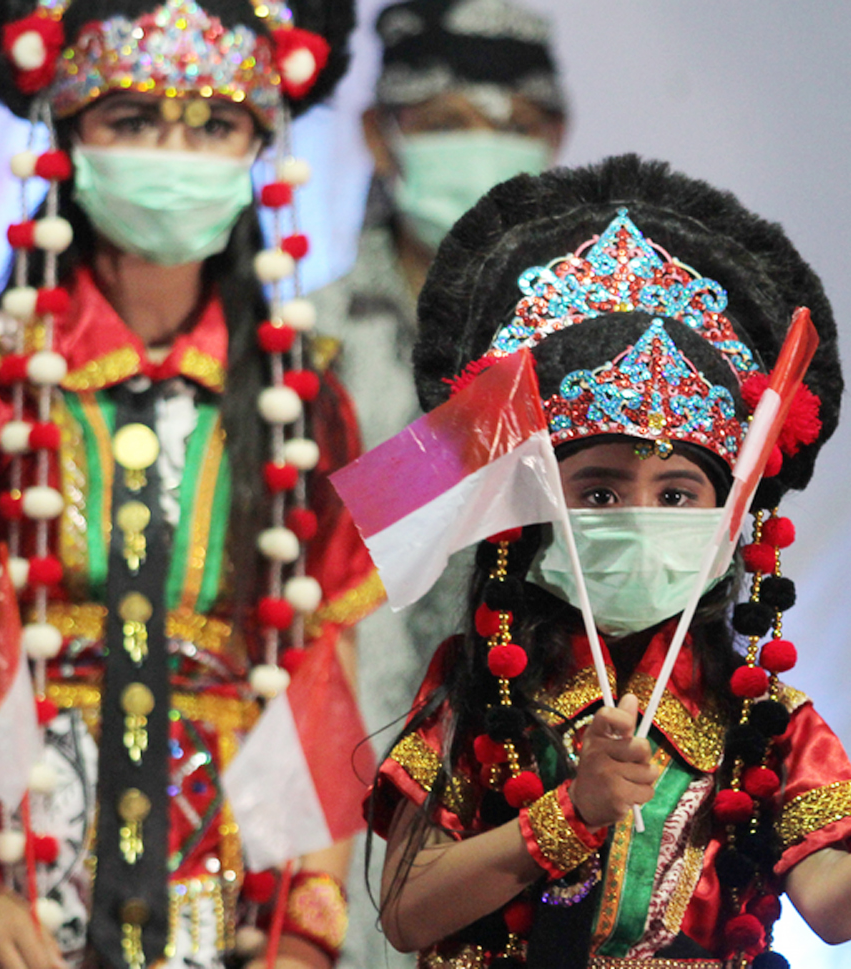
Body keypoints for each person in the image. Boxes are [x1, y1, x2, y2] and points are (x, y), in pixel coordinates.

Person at [353, 155, 851, 967]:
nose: (642, 515)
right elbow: (407, 913)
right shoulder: (479, 689)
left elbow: (833, 903)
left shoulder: (760, 717)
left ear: (730, 523)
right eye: (601, 490)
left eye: (679, 493)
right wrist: (571, 813)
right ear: (537, 509)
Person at [0, 1, 377, 967]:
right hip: (14, 901)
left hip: (231, 912)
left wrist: (309, 926)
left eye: (217, 125)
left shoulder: (299, 398)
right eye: (134, 119)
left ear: (259, 146)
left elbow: (321, 682)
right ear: (68, 134)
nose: (176, 154)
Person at [308, 5, 566, 964]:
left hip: (545, 824)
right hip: (327, 831)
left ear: (557, 141)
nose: (483, 149)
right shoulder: (297, 343)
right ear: (380, 136)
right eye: (450, 122)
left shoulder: (611, 358)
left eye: (511, 124)